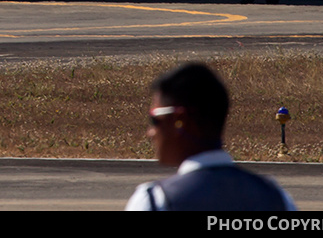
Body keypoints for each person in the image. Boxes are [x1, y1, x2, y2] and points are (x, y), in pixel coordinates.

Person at [126, 62, 296, 211]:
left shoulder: (156, 201)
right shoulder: (276, 198)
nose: (150, 132)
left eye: (155, 120)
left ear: (180, 121)